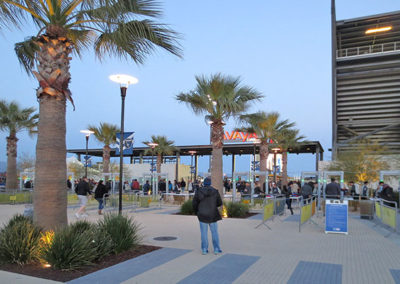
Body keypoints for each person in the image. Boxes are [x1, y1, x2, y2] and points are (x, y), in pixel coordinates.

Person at [192, 177, 223, 255]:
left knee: (204, 233)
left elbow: (194, 203)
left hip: (202, 214)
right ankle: (216, 249)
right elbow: (219, 203)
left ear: (204, 183)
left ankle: (204, 249)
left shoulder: (199, 191)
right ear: (210, 183)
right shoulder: (215, 191)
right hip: (213, 214)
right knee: (214, 232)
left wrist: (197, 212)